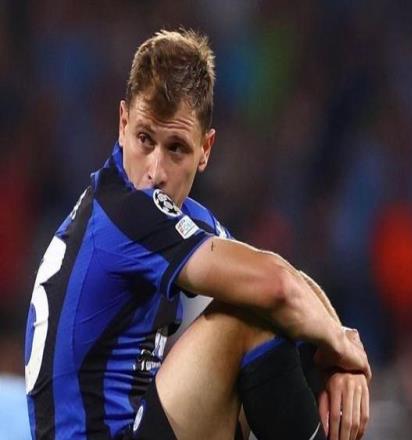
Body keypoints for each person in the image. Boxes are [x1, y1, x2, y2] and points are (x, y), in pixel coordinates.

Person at [24, 29, 370, 440]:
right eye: (144, 139)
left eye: (176, 148)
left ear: (205, 149)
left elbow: (287, 280)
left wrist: (339, 356)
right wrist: (340, 346)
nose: (155, 172)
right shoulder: (126, 213)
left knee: (266, 307)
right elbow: (275, 287)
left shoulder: (169, 220)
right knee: (246, 315)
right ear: (122, 124)